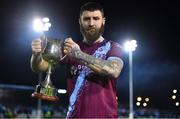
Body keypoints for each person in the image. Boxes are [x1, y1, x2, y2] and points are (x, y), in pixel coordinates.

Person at [31, 2, 124, 118]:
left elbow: (113, 70)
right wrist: (36, 54)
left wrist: (78, 54)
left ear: (103, 21)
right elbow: (40, 67)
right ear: (80, 21)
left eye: (96, 18)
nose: (91, 23)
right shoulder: (69, 47)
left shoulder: (113, 47)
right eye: (86, 19)